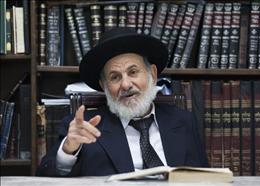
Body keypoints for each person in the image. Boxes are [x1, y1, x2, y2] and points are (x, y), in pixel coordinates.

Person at [36, 28, 208, 177]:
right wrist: (68, 151)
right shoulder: (85, 128)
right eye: (115, 77)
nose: (126, 84)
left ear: (153, 75)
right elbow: (45, 178)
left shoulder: (183, 121)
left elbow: (206, 179)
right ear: (104, 86)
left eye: (133, 72)